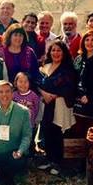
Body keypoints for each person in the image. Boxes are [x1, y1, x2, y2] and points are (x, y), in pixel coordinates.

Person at [0, 81, 32, 185]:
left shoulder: (23, 112)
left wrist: (20, 151)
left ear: (12, 93)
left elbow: (26, 136)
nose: (4, 95)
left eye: (7, 91)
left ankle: (7, 175)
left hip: (13, 154)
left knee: (14, 168)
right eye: (1, 92)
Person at [37, 40, 77, 175]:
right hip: (46, 105)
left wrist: (54, 95)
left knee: (57, 133)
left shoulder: (68, 70)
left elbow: (71, 88)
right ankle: (48, 160)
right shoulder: (44, 67)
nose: (56, 53)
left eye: (59, 50)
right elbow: (37, 84)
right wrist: (44, 93)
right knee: (47, 131)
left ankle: (57, 163)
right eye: (53, 50)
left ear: (64, 52)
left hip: (60, 105)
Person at [0, 23, 40, 89]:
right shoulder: (0, 52)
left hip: (27, 90)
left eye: (20, 35)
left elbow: (35, 73)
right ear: (9, 36)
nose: (18, 38)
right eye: (15, 35)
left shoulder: (29, 52)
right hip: (6, 91)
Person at [12, 72, 42, 148]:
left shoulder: (34, 96)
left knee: (29, 141)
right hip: (16, 125)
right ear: (16, 83)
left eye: (26, 82)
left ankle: (30, 155)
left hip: (29, 124)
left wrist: (37, 121)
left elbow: (38, 109)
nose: (23, 84)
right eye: (20, 82)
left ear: (29, 83)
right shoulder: (13, 95)